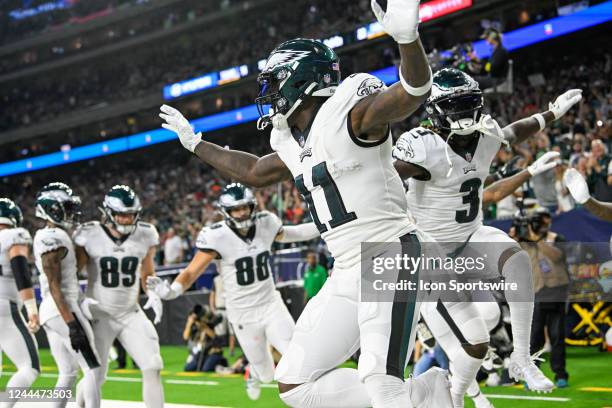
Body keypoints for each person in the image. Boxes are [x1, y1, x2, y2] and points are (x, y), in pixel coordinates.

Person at [159, 1, 453, 406]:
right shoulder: (300, 142)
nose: (270, 94)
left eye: (276, 83)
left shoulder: (351, 114)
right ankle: (426, 393)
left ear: (301, 80)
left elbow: (410, 93)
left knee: (381, 380)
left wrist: (408, 41)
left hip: (391, 253)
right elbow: (255, 172)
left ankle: (410, 395)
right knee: (295, 383)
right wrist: (195, 144)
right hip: (347, 267)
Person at [393, 68, 581, 405]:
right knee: (469, 345)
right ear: (437, 110)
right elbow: (388, 176)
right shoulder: (423, 146)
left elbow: (515, 130)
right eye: (456, 104)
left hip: (470, 236)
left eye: (469, 103)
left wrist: (552, 113)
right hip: (431, 252)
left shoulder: (487, 134)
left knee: (518, 261)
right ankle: (463, 396)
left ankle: (521, 359)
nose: (465, 111)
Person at [147, 183, 320, 401]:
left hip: (271, 304)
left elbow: (290, 233)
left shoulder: (266, 223)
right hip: (242, 313)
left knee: (295, 354)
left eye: (245, 207)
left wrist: (324, 225)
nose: (241, 213)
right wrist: (172, 291)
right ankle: (253, 373)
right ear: (226, 212)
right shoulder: (217, 236)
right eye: (236, 209)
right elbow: (192, 271)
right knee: (266, 374)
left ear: (252, 206)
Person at [73, 185, 165, 408]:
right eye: (122, 214)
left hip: (130, 312)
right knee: (96, 375)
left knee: (153, 365)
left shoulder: (146, 233)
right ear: (108, 213)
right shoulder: (89, 234)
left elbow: (147, 272)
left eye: (131, 214)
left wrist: (152, 290)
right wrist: (79, 299)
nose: (126, 219)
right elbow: (71, 274)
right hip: (99, 314)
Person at [33, 182, 102, 408]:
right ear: (53, 209)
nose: (71, 213)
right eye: (67, 207)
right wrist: (71, 323)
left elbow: (75, 268)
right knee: (92, 367)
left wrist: (81, 244)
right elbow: (55, 285)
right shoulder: (53, 237)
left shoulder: (53, 235)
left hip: (51, 310)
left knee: (68, 372)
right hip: (63, 309)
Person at [510, 209, 570, 388]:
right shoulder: (524, 241)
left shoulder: (556, 238)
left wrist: (538, 240)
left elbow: (558, 256)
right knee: (535, 338)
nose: (541, 227)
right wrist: (515, 236)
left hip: (557, 292)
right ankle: (533, 375)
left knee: (557, 336)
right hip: (535, 293)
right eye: (537, 223)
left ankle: (561, 375)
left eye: (543, 223)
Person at [0, 198, 40, 408]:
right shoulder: (13, 235)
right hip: (4, 306)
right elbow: (20, 272)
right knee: (29, 367)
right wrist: (32, 308)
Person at [209, 274, 236, 356]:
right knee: (219, 333)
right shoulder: (216, 279)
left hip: (231, 308)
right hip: (220, 308)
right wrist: (212, 308)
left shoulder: (232, 276)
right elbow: (212, 294)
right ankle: (219, 350)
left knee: (232, 332)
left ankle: (231, 350)